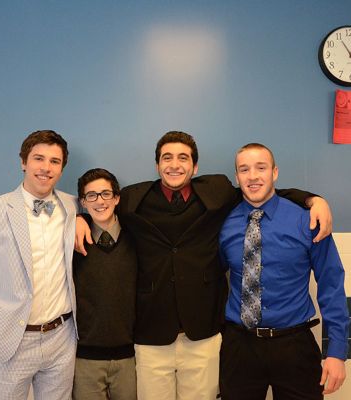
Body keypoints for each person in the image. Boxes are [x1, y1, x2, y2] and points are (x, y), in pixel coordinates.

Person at [76, 131, 333, 400]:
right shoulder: (132, 198)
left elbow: (261, 190)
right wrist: (80, 219)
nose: (175, 164)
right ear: (157, 165)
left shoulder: (217, 191)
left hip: (203, 332)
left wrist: (313, 200)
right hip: (151, 331)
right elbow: (100, 206)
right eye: (167, 158)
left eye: (183, 158)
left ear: (195, 166)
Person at [218, 143, 349, 400]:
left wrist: (336, 351)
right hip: (239, 346)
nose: (253, 176)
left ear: (275, 172)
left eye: (261, 168)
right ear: (237, 177)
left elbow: (331, 284)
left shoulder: (307, 220)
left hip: (294, 346)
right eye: (244, 169)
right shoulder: (224, 223)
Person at [0, 130, 78, 400]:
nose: (46, 168)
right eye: (38, 159)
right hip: (11, 340)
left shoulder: (72, 206)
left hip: (62, 338)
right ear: (24, 162)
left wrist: (81, 219)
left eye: (55, 161)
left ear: (62, 168)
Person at [72, 168, 138, 400]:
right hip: (85, 358)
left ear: (117, 198)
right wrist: (77, 219)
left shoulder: (137, 238)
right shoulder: (73, 242)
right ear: (83, 201)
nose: (100, 201)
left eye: (106, 194)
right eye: (91, 195)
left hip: (129, 356)